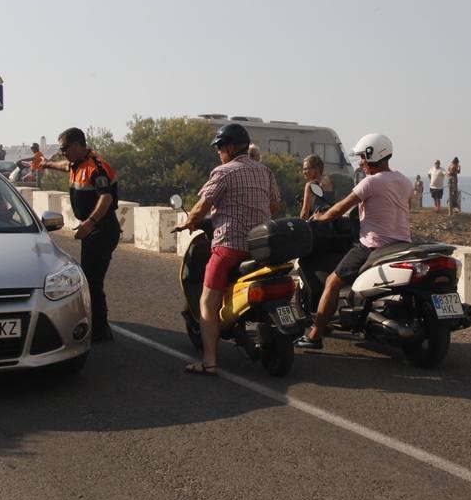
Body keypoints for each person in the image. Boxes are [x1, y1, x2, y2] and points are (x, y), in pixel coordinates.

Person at [176, 123, 281, 375]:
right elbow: (275, 206)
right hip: (260, 248)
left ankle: (209, 361)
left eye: (220, 147)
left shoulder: (223, 172)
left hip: (229, 247)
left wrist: (190, 220)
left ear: (231, 147)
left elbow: (202, 207)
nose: (218, 152)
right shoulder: (265, 171)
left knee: (207, 301)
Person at [296, 133, 413, 350]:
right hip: (401, 245)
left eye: (362, 157)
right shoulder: (405, 181)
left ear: (371, 155)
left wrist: (320, 217)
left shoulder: (371, 182)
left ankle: (315, 335)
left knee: (331, 282)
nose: (360, 162)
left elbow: (340, 208)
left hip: (373, 245)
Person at [40, 127, 121, 342]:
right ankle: (99, 327)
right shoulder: (77, 163)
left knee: (92, 281)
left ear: (77, 145)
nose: (62, 152)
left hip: (102, 229)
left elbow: (106, 199)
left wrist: (90, 223)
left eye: (64, 148)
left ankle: (100, 331)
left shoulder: (96, 167)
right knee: (90, 278)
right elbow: (66, 166)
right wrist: (47, 164)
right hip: (93, 229)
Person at [299, 154, 336, 219]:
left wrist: (300, 225)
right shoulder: (331, 181)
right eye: (303, 169)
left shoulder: (310, 185)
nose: (304, 172)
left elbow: (305, 213)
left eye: (306, 169)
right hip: (332, 221)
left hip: (318, 224)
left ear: (316, 168)